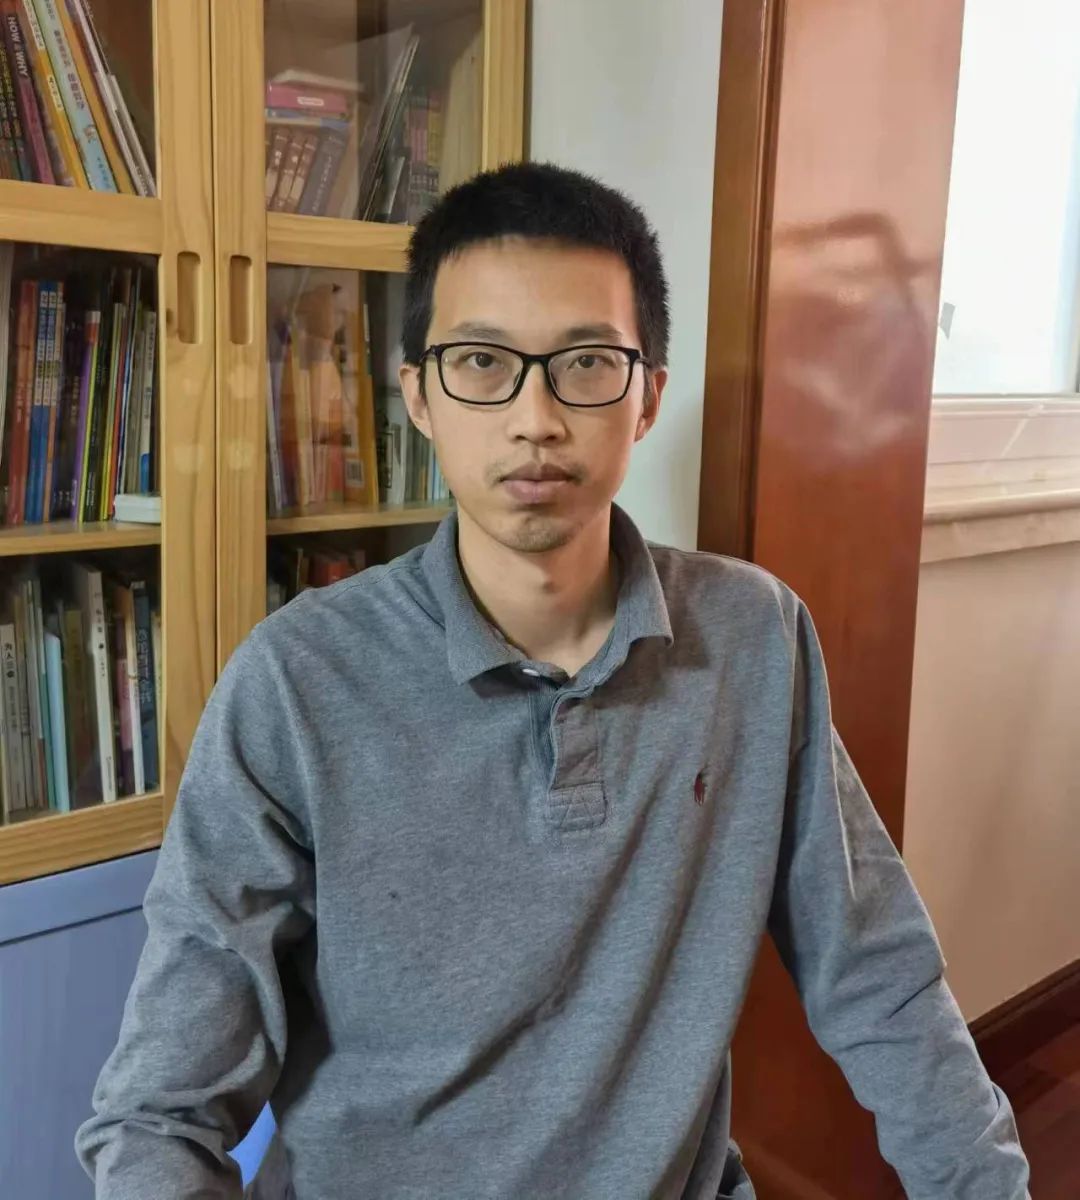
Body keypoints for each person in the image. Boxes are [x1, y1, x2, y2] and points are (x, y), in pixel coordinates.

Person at [76, 162, 1030, 1199]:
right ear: (419, 397)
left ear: (647, 396)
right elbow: (160, 1110)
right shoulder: (298, 680)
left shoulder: (754, 641)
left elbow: (880, 978)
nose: (535, 417)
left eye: (585, 363)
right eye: (482, 362)